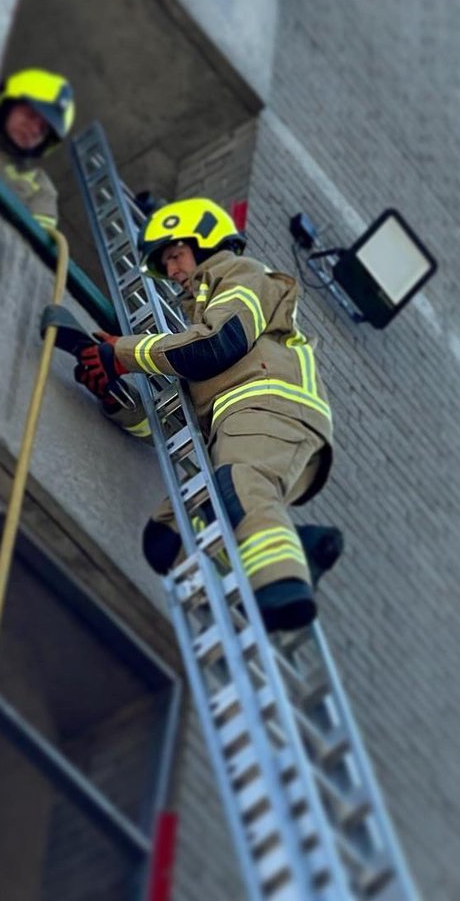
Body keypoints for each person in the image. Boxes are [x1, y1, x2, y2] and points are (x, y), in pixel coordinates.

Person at [74, 198, 343, 631]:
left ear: (206, 242)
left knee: (241, 483)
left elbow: (217, 344)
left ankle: (284, 587)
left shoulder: (240, 274)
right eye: (167, 263)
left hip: (268, 406)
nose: (175, 270)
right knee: (167, 538)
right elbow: (170, 426)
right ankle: (290, 561)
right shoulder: (197, 322)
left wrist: (122, 352)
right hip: (238, 424)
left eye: (176, 254)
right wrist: (114, 397)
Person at [0, 69, 76, 233]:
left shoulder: (41, 188)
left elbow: (30, 247)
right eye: (31, 115)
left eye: (43, 129)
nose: (35, 130)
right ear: (8, 104)